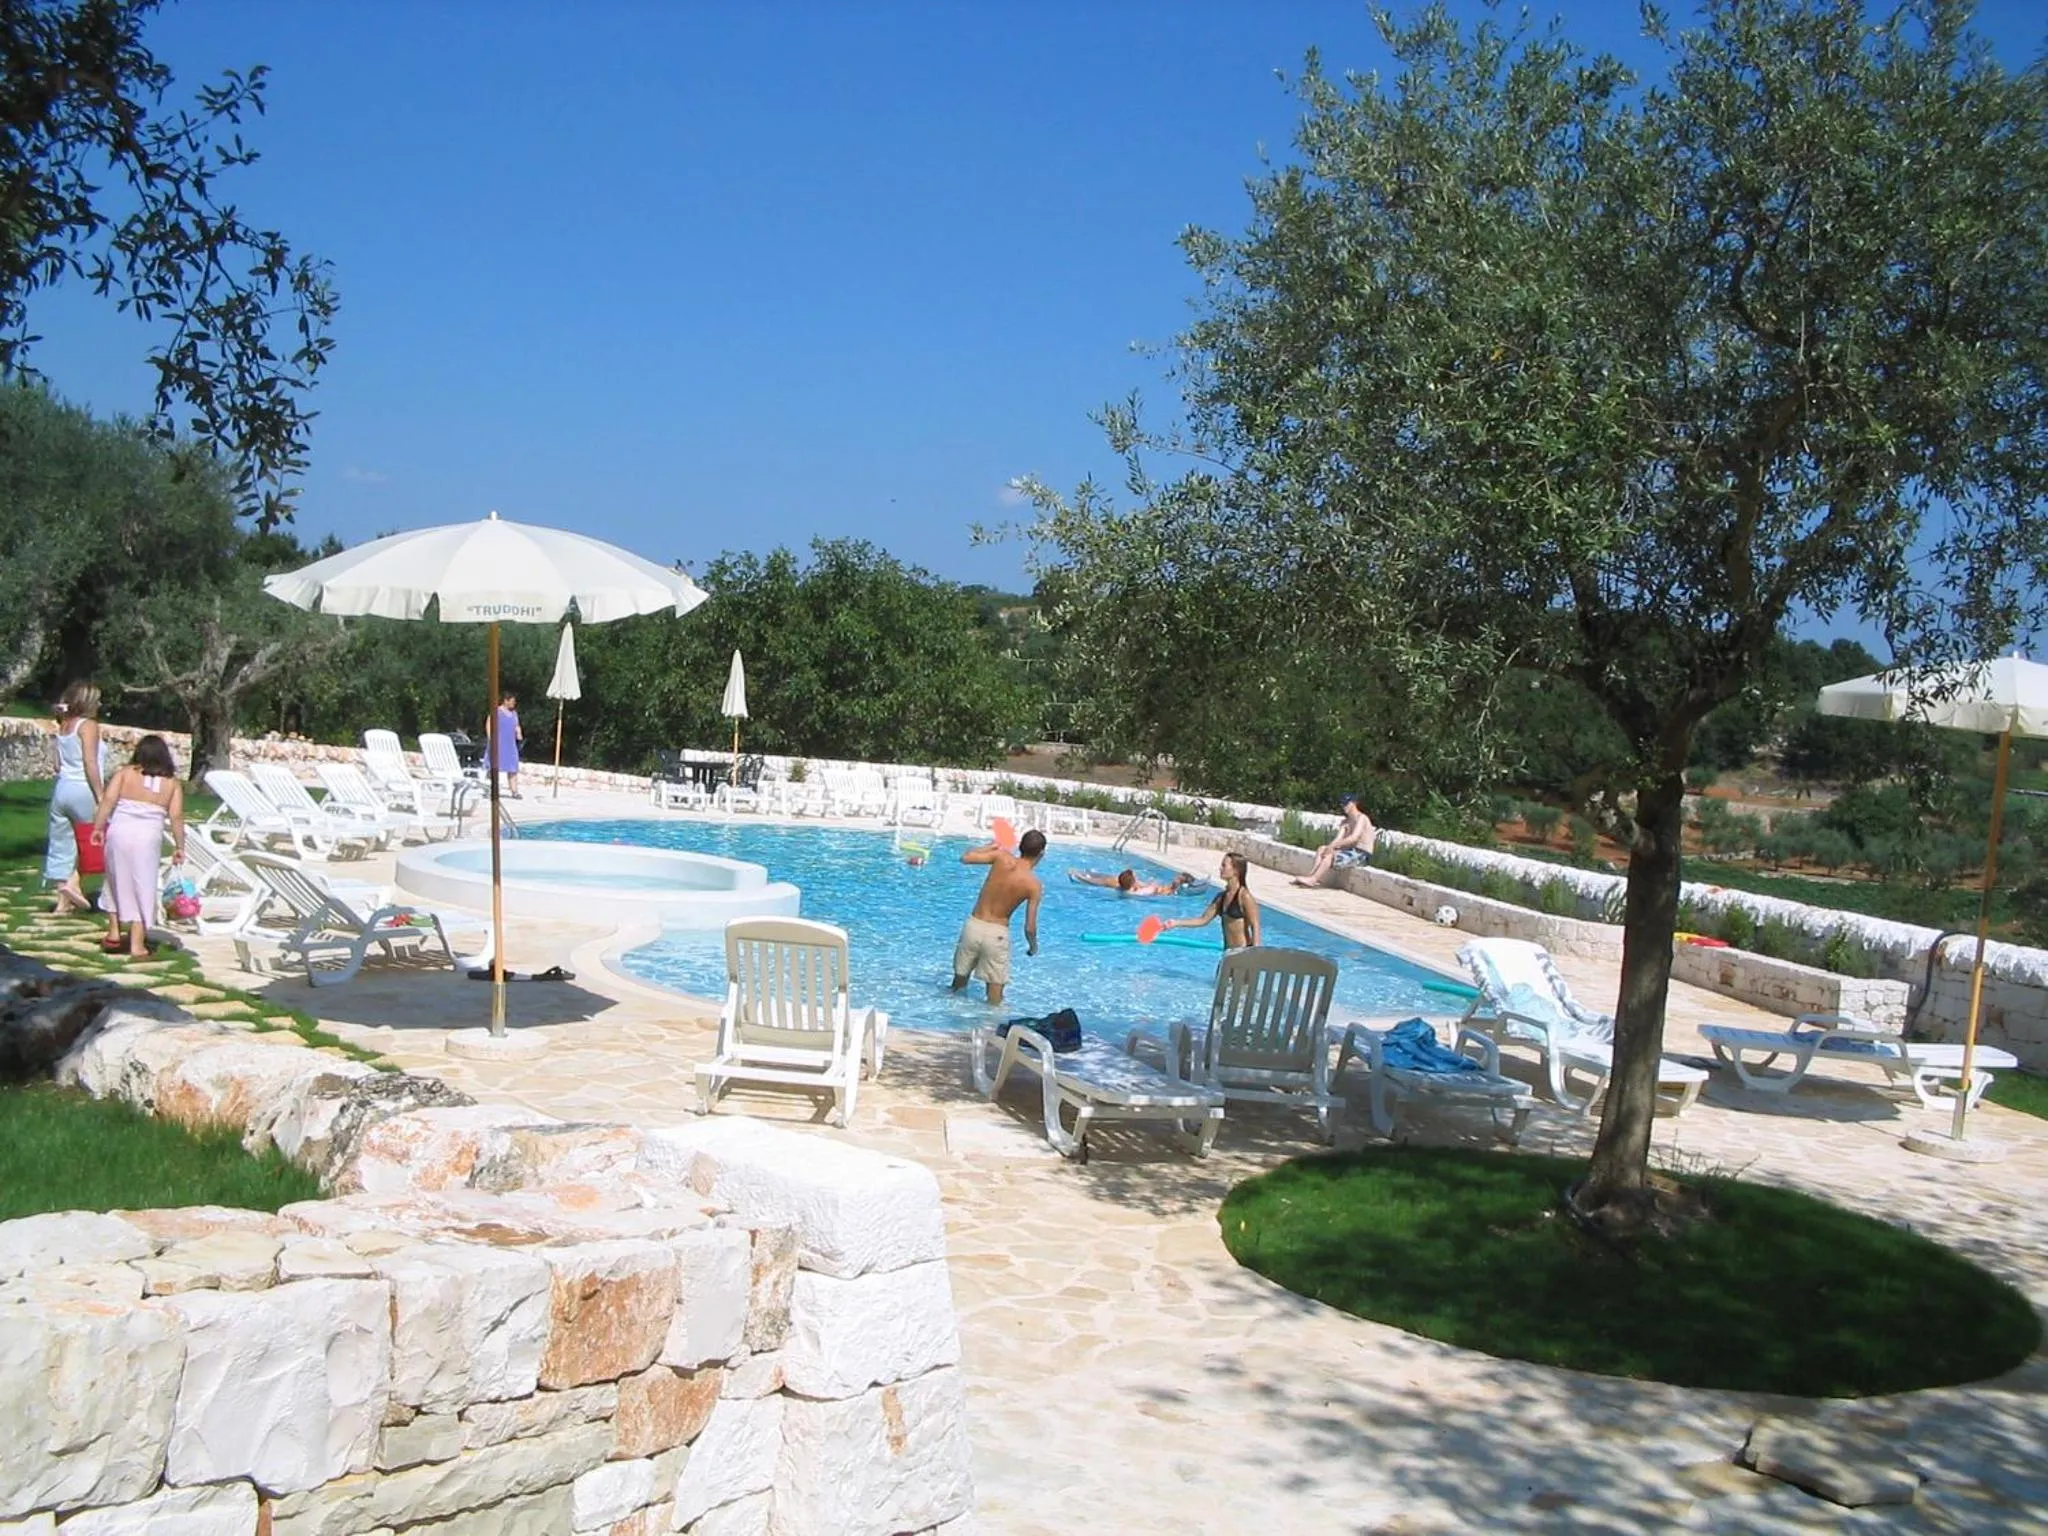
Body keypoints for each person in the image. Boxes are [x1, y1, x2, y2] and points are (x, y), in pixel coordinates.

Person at [90, 735, 184, 957]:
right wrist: (180, 846)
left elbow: (108, 800)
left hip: (120, 830)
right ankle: (136, 943)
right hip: (148, 836)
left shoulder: (124, 774)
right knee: (143, 883)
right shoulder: (172, 784)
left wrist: (97, 827)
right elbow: (177, 816)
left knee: (115, 878)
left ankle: (114, 932)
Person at [951, 828, 1046, 1005]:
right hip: (997, 934)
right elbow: (1030, 928)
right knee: (994, 1001)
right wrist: (1033, 947)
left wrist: (989, 846)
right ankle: (988, 1030)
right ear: (1041, 853)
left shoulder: (1000, 857)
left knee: (957, 988)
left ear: (1020, 846)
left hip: (973, 926)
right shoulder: (1033, 885)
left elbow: (965, 857)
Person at [44, 682, 107, 915]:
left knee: (63, 844)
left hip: (62, 789)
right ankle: (74, 884)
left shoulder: (64, 726)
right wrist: (100, 794)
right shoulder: (88, 726)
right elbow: (90, 762)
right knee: (91, 841)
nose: (100, 704)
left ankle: (63, 900)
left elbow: (58, 764)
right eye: (97, 699)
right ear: (87, 701)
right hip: (83, 788)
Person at [1162, 852, 1261, 949]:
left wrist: (1255, 953)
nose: (1220, 868)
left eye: (1224, 866)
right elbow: (1202, 920)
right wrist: (1175, 923)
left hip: (1243, 953)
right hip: (1228, 954)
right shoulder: (1221, 898)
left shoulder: (1244, 896)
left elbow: (1255, 925)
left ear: (1236, 870)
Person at [1293, 794, 1378, 887]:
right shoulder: (1345, 822)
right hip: (1349, 852)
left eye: (1346, 803)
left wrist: (1333, 847)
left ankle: (1313, 879)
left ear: (1354, 803)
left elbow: (1354, 837)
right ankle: (1311, 875)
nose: (1344, 806)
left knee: (1331, 855)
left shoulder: (1361, 818)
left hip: (1361, 854)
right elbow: (1338, 839)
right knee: (1322, 849)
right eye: (1342, 804)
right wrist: (1329, 847)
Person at [1067, 868, 1201, 897]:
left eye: (1178, 877)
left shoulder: (1168, 891)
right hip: (1121, 883)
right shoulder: (1167, 889)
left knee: (1098, 880)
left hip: (1119, 883)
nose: (1175, 877)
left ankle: (1081, 876)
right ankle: (1082, 875)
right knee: (1100, 879)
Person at [490, 691, 524, 797]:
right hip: (499, 743)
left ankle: (514, 791)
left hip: (510, 744)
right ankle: (493, 789)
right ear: (506, 701)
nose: (514, 704)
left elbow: (516, 725)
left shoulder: (514, 713)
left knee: (512, 767)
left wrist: (519, 732)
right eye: (512, 701)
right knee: (495, 767)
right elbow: (489, 723)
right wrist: (490, 739)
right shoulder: (497, 711)